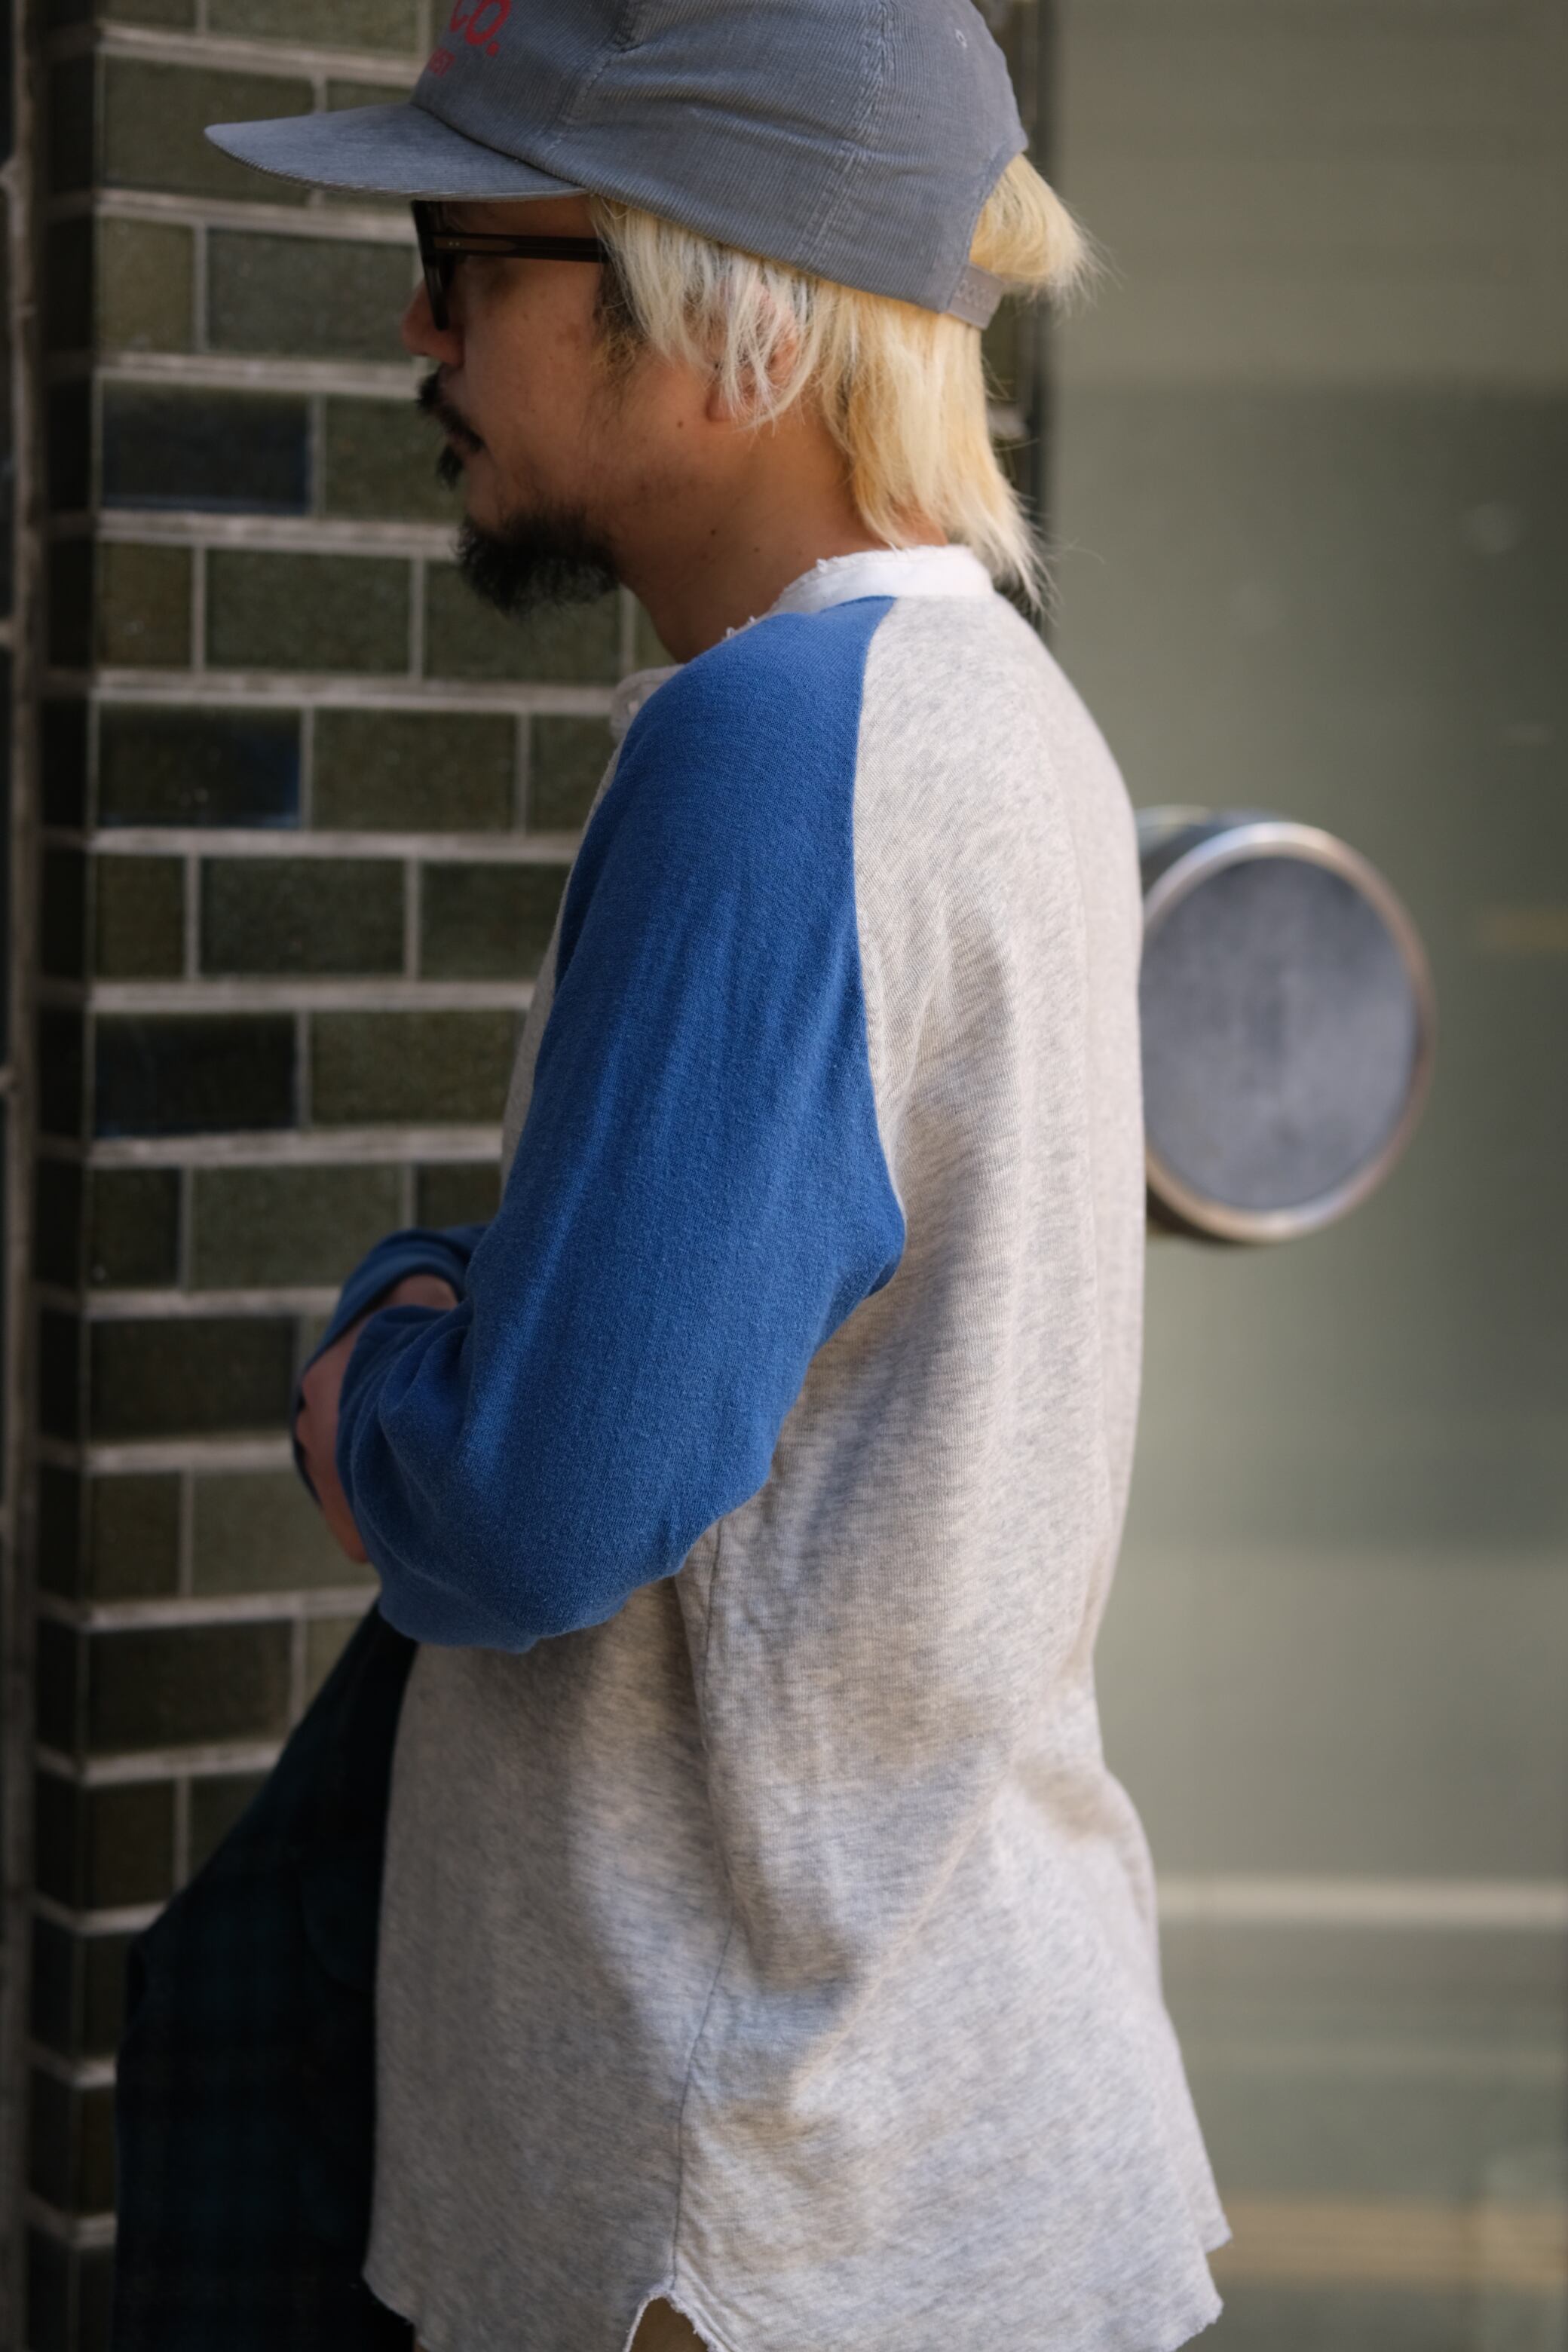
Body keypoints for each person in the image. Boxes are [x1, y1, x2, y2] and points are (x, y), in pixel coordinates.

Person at [208, 2, 1230, 2346]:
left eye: (465, 257)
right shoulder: (1007, 715)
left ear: (719, 315)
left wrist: (376, 1363)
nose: (422, 329)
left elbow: (538, 1506)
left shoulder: (775, 750)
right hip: (950, 2121)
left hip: (752, 2200)